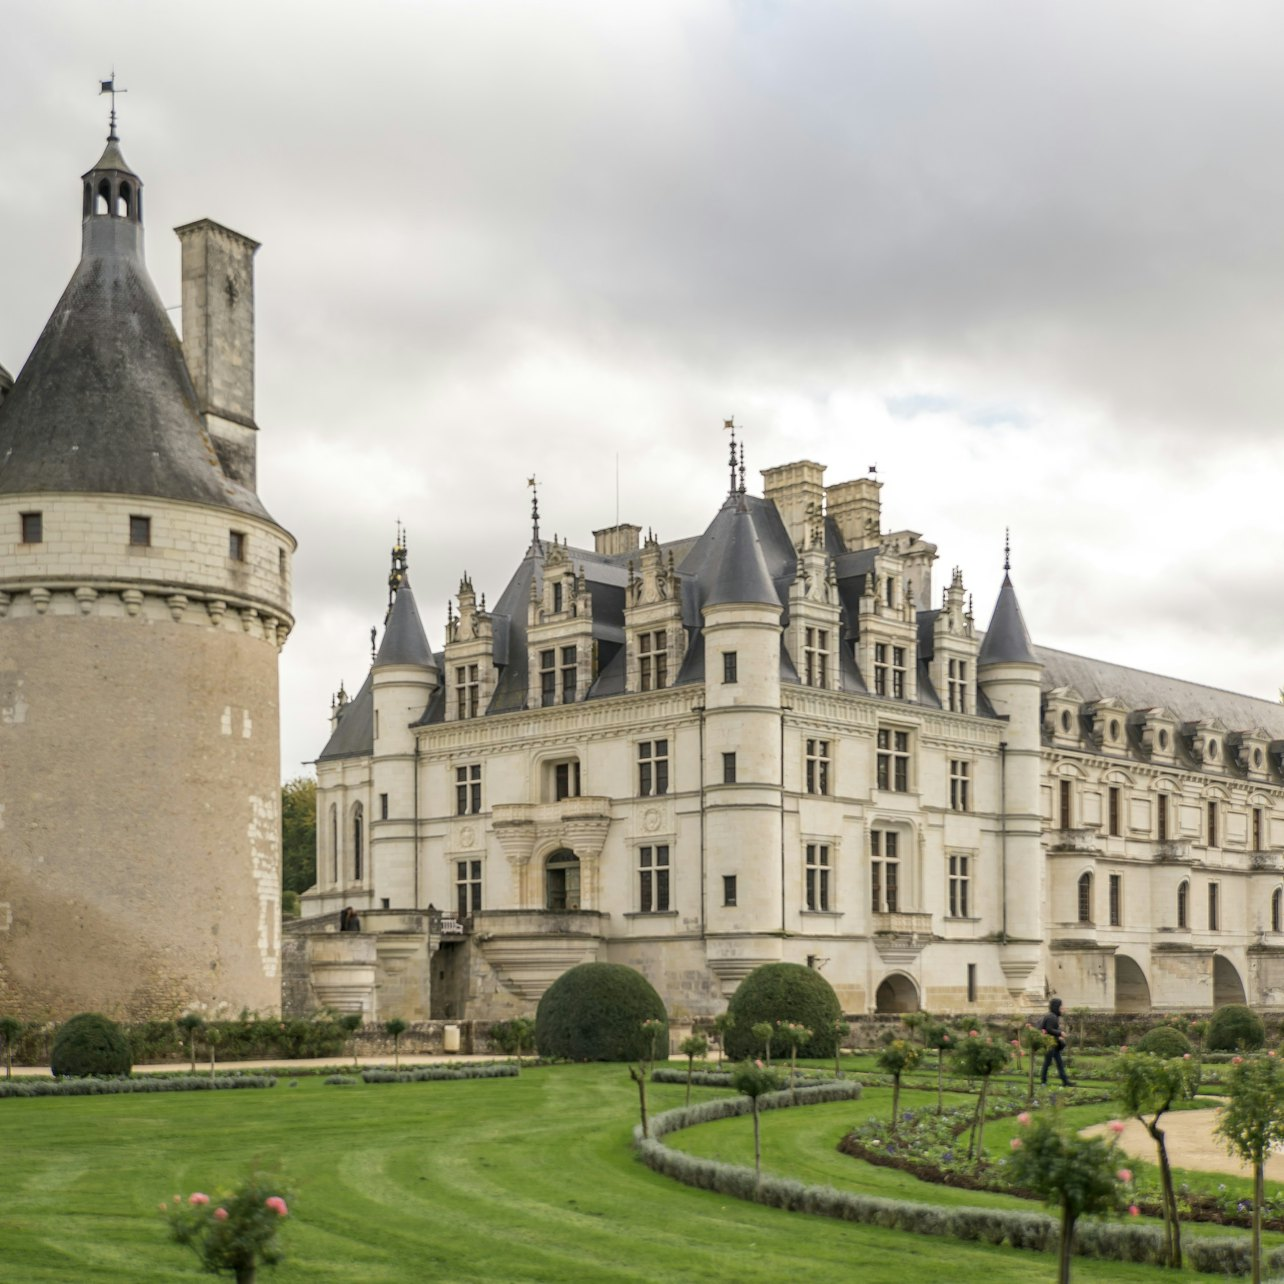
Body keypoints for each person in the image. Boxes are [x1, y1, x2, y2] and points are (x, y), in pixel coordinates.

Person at [1039, 997, 1074, 1087]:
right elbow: (1049, 1029)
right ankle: (1043, 1082)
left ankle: (1065, 1082)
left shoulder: (1052, 1016)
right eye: (1061, 1007)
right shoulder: (1052, 1017)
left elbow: (1050, 1029)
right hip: (1049, 1044)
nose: (1062, 1009)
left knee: (1059, 1063)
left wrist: (1059, 1036)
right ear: (1056, 1007)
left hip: (1053, 1043)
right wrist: (1060, 1033)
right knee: (1047, 1063)